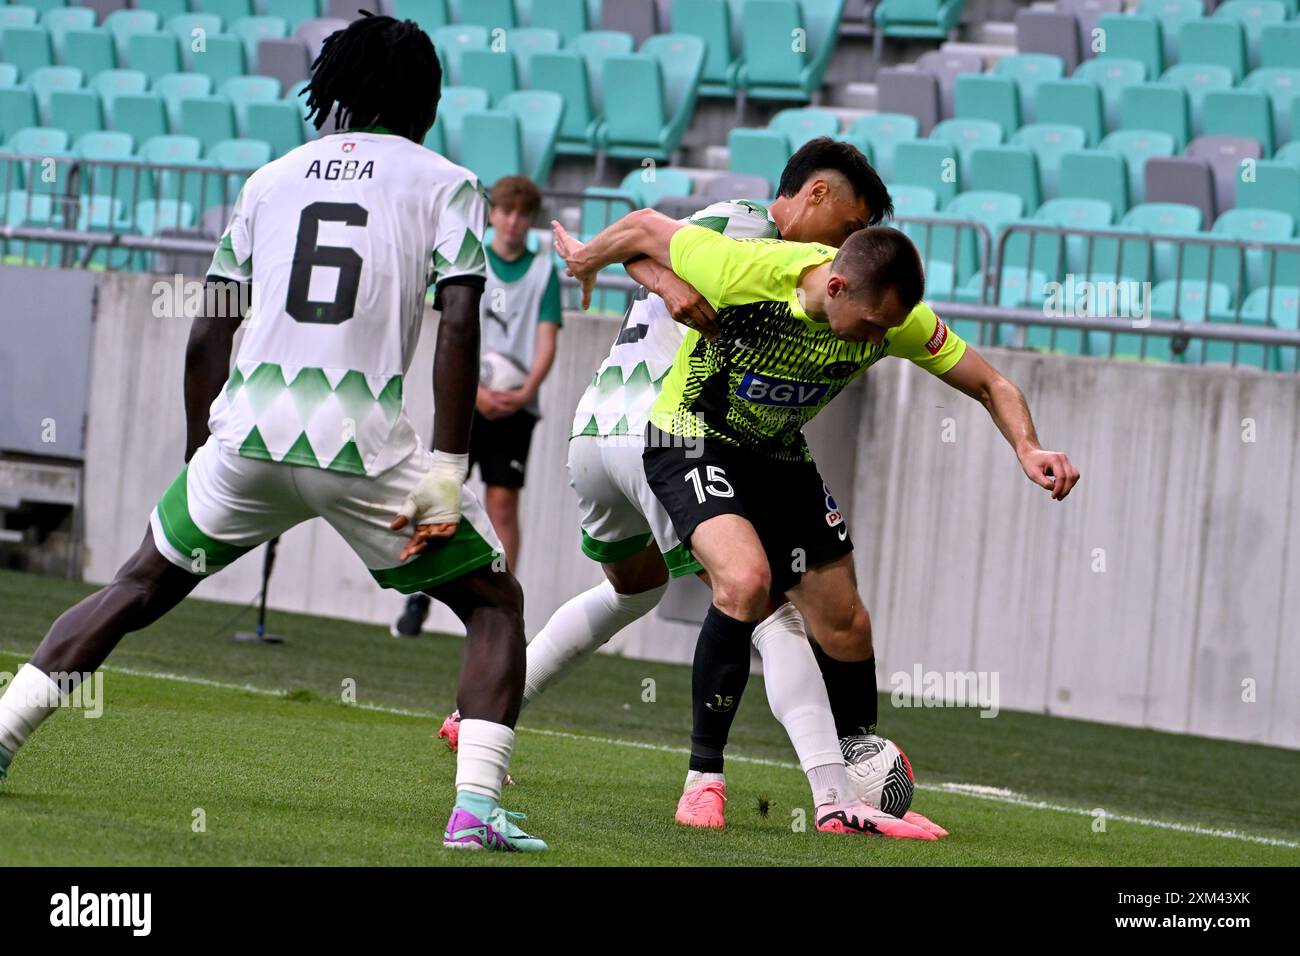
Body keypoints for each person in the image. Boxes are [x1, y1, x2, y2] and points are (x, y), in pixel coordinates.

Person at [0, 14, 547, 853]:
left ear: (337, 92)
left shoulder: (271, 179)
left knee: (135, 588)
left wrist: (198, 449)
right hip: (362, 444)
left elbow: (208, 325)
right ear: (424, 101)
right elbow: (460, 317)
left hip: (246, 431)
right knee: (493, 603)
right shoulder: (445, 182)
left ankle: (1, 736)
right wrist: (446, 465)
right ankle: (474, 812)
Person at [442, 140, 944, 839]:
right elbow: (644, 235)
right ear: (815, 197)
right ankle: (828, 796)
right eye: (847, 226)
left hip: (593, 431)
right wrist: (647, 274)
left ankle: (480, 713)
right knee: (764, 603)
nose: (848, 245)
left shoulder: (744, 242)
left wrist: (645, 273)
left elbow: (644, 245)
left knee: (634, 588)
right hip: (664, 428)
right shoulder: (751, 232)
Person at [553, 207, 1080, 829]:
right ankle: (703, 780)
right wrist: (589, 258)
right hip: (690, 437)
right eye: (873, 324)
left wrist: (1027, 446)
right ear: (835, 286)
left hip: (776, 454)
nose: (880, 339)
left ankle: (852, 789)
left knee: (847, 622)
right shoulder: (744, 269)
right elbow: (643, 227)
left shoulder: (896, 321)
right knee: (746, 583)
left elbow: (992, 383)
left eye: (891, 327)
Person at [393, 175, 562, 638]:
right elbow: (448, 320)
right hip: (463, 399)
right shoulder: (473, 256)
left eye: (521, 214)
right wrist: (473, 391)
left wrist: (525, 392)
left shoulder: (543, 271)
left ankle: (503, 607)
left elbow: (547, 337)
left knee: (502, 503)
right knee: (440, 493)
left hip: (515, 406)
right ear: (493, 215)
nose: (512, 221)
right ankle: (418, 599)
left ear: (530, 220)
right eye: (505, 211)